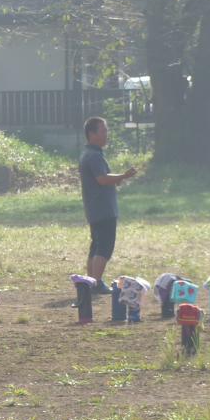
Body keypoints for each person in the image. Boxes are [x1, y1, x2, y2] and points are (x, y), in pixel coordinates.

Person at [79, 117, 136, 295]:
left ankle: (89, 282)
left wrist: (117, 179)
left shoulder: (89, 154)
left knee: (96, 246)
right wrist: (124, 176)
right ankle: (96, 283)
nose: (106, 134)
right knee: (104, 247)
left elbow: (102, 178)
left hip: (94, 208)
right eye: (103, 131)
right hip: (103, 209)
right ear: (92, 134)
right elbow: (102, 179)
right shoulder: (94, 156)